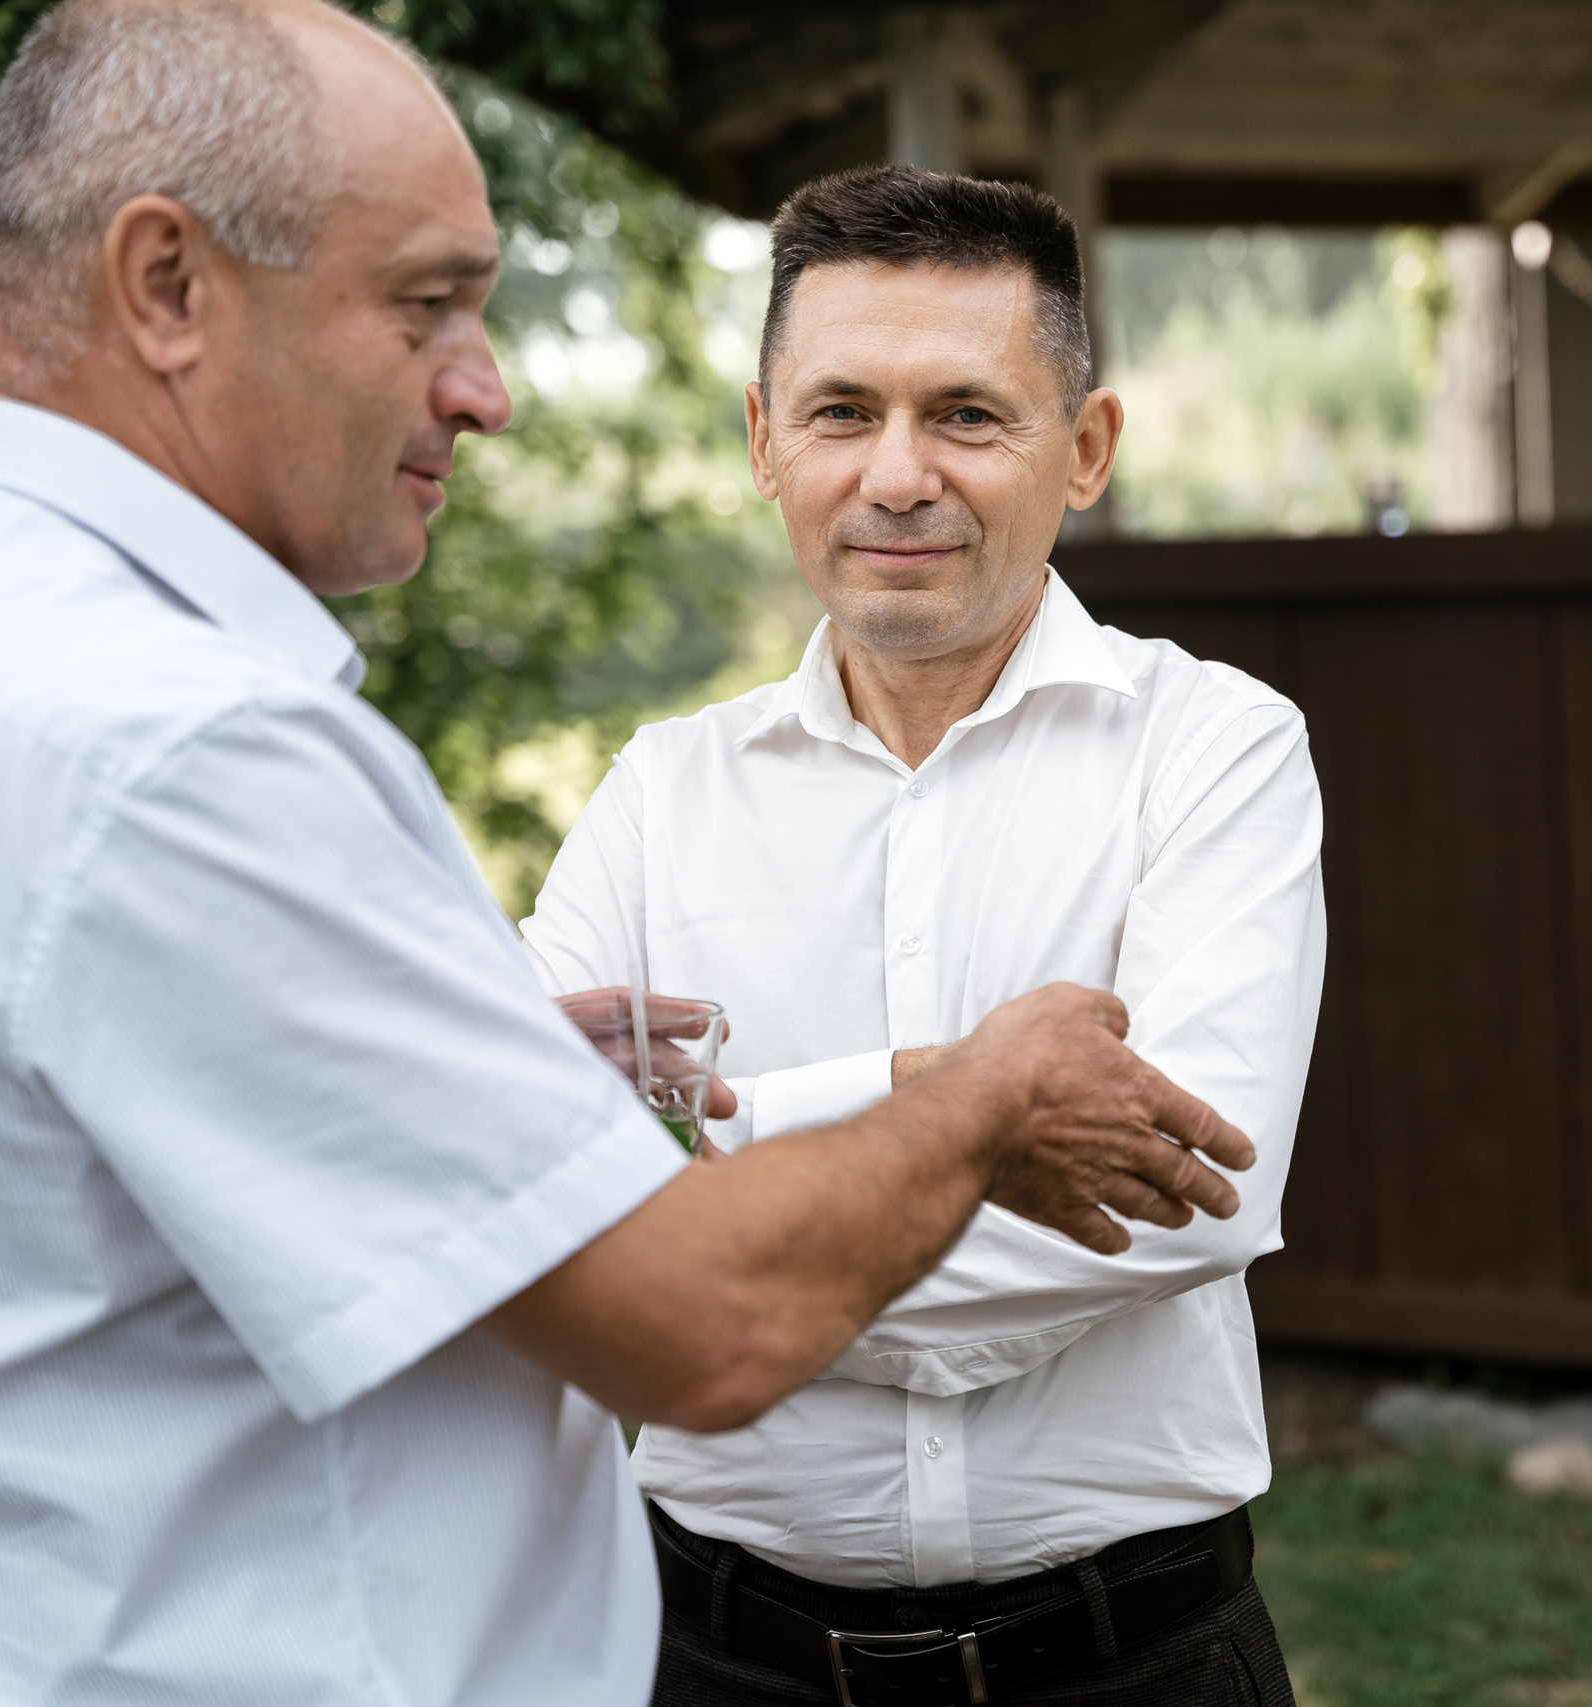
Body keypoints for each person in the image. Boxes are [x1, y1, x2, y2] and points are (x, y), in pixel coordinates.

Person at [0, 7, 1255, 1706]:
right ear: (168, 286)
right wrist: (986, 1097)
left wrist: (547, 1115)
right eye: (426, 307)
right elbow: (702, 1323)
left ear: (1085, 444)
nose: (484, 388)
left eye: (967, 415)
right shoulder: (178, 748)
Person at [522, 168, 1326, 1706]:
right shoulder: (659, 795)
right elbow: (535, 1158)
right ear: (763, 440)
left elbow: (1193, 1202)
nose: (898, 476)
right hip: (712, 1667)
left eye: (966, 413)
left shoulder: (1216, 749)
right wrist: (950, 1105)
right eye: (840, 413)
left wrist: (719, 1257)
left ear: (1083, 449)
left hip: (1131, 1667)